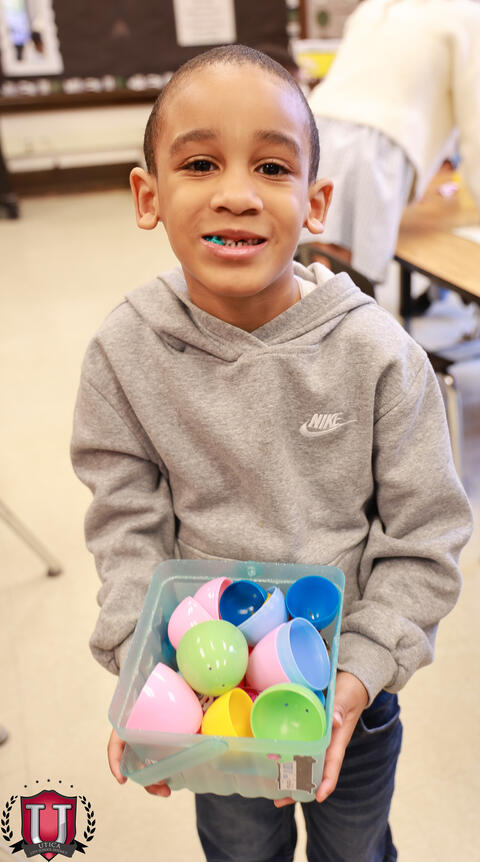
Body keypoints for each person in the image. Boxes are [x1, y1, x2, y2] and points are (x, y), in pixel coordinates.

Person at [70, 45, 472, 862]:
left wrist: (361, 671)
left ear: (316, 201)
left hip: (352, 693)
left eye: (273, 167)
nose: (237, 193)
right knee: (240, 848)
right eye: (201, 162)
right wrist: (143, 665)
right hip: (210, 693)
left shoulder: (379, 358)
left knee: (354, 848)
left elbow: (425, 538)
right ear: (149, 196)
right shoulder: (125, 353)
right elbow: (122, 519)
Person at [304, 0, 480, 284]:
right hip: (374, 144)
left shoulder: (374, 7)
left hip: (313, 127)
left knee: (306, 269)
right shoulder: (468, 17)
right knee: (342, 286)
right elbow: (475, 129)